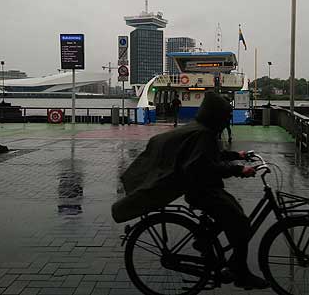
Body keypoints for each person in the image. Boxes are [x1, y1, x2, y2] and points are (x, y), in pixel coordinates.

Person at [112, 92, 269, 290]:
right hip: (203, 191)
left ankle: (205, 240)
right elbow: (203, 166)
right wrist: (238, 169)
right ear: (216, 116)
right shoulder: (204, 134)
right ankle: (240, 272)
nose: (226, 120)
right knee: (240, 223)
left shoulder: (201, 130)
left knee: (233, 214)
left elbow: (211, 156)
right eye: (225, 116)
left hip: (203, 189)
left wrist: (236, 155)